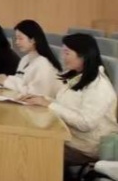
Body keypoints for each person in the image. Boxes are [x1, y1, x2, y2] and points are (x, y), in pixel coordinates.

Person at [21, 34, 118, 166]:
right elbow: (66, 106)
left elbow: (86, 123)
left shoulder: (99, 85)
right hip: (70, 138)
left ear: (83, 55)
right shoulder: (78, 76)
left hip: (87, 147)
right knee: (29, 140)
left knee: (34, 149)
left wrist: (49, 104)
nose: (63, 57)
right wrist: (42, 99)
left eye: (67, 53)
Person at [0, 19, 63, 97]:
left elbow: (36, 94)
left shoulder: (43, 64)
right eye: (16, 38)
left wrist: (7, 82)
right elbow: (21, 82)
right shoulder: (25, 59)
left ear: (33, 40)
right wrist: (6, 80)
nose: (17, 42)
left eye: (20, 38)